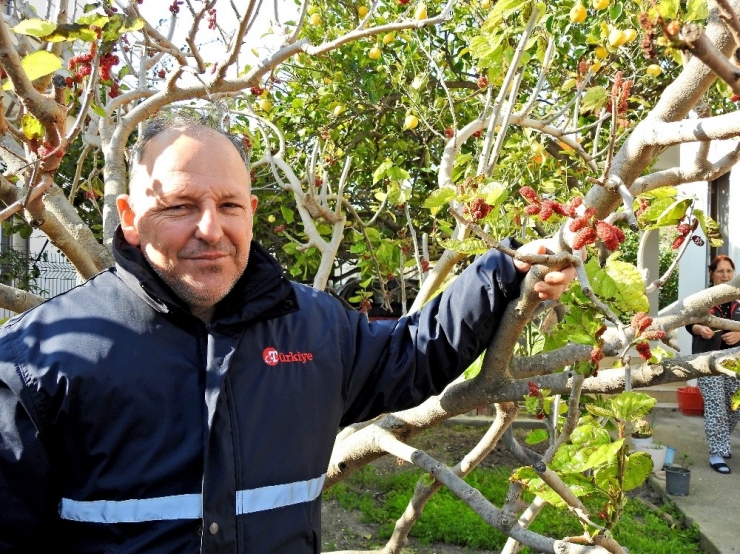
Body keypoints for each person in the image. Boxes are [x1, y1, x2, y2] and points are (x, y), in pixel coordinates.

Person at [0, 113, 575, 553]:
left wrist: (506, 272)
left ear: (250, 211)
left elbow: (413, 354)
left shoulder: (316, 326)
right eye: (179, 205)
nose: (211, 228)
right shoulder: (40, 357)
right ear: (128, 215)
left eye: (228, 205)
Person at [686, 254, 740, 474]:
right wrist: (700, 329)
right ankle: (717, 452)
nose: (725, 275)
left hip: (735, 363)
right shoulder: (702, 299)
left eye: (729, 271)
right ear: (712, 274)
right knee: (716, 406)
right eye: (721, 271)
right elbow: (690, 323)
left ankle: (722, 442)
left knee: (734, 407)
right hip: (707, 361)